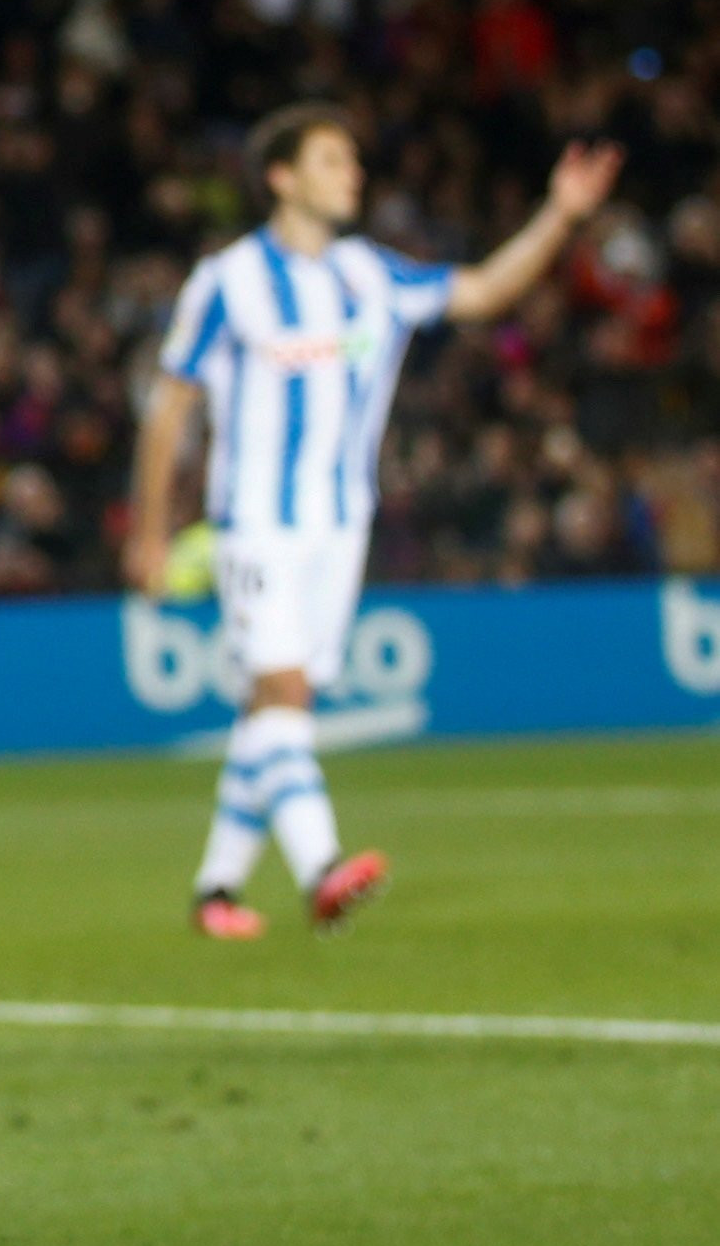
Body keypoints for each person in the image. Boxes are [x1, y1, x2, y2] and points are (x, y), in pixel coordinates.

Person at [127, 105, 619, 937]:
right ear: (280, 177)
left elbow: (484, 289)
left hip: (339, 524)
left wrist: (559, 215)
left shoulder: (370, 275)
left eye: (352, 159)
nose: (351, 173)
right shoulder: (229, 279)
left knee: (279, 703)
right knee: (282, 688)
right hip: (255, 521)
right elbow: (169, 405)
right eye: (329, 160)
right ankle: (321, 866)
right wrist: (146, 532)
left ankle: (215, 892)